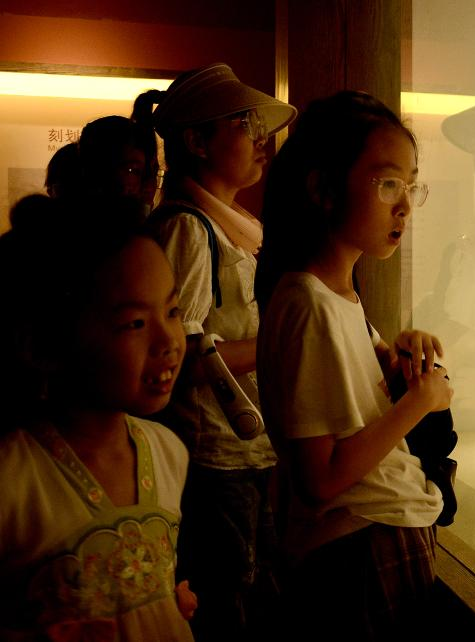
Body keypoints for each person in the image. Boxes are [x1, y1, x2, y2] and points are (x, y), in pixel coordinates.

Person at [255, 91, 452, 639]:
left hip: (375, 532)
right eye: (387, 183)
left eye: (411, 186)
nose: (405, 205)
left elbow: (366, 401)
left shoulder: (336, 296)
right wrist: (419, 401)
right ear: (323, 189)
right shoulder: (308, 302)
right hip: (360, 545)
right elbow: (320, 479)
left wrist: (402, 359)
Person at [133, 63, 296, 641]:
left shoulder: (228, 224)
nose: (260, 139)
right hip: (217, 455)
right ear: (198, 142)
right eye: (244, 125)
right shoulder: (188, 228)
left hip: (244, 450)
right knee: (231, 602)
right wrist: (283, 344)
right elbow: (183, 351)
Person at [0, 196, 196, 640]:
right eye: (134, 324)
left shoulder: (168, 452)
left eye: (172, 311)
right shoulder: (13, 479)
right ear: (46, 342)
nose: (169, 340)